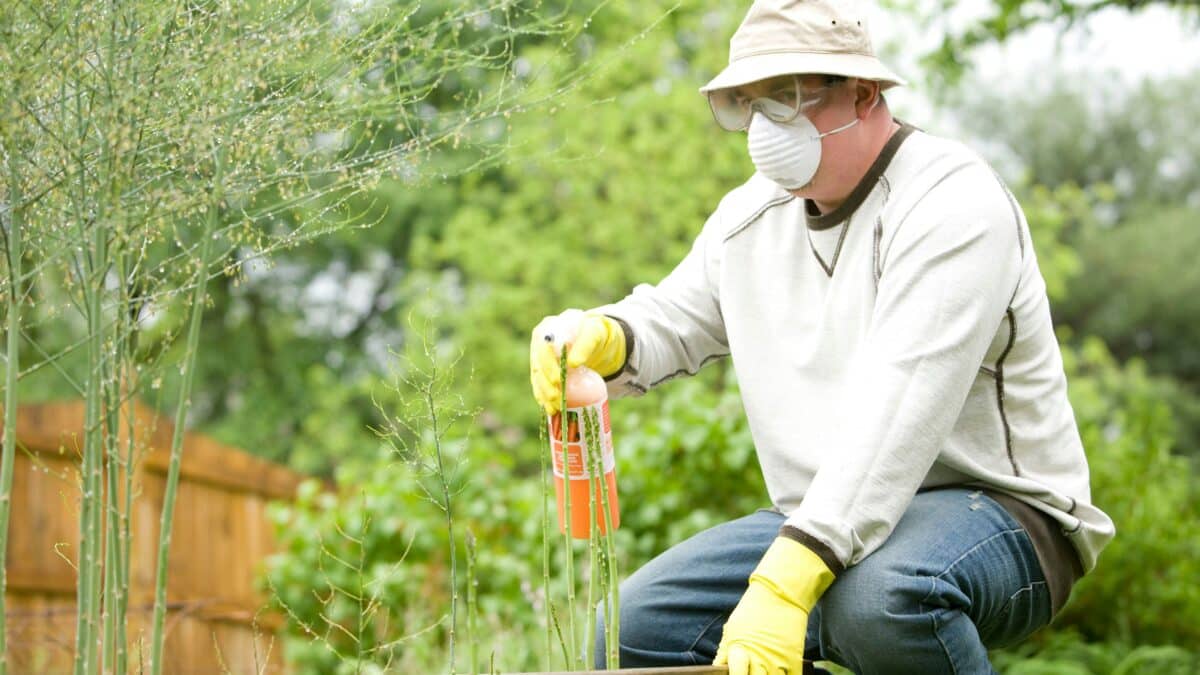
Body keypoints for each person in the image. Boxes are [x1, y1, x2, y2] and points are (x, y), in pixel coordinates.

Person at [528, 0, 1115, 672]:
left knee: (878, 601)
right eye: (748, 102)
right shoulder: (749, 216)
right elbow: (675, 317)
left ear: (862, 93)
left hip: (1005, 512)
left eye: (787, 97)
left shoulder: (952, 204)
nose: (762, 125)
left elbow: (900, 414)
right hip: (827, 517)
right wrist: (604, 335)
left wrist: (785, 580)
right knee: (632, 631)